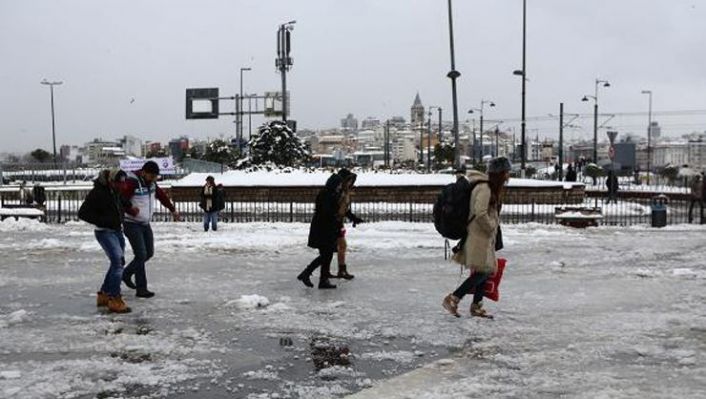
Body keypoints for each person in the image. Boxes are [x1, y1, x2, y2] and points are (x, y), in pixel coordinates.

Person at [442, 157, 511, 319]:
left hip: (483, 237)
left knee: (485, 270)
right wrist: (491, 226)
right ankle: (453, 298)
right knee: (483, 271)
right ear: (499, 173)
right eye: (506, 172)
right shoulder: (485, 188)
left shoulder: (488, 187)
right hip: (479, 236)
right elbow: (480, 213)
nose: (508, 176)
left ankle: (476, 306)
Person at [120, 161, 180, 298]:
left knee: (149, 253)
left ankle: (126, 273)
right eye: (151, 176)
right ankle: (141, 288)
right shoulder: (132, 182)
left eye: (155, 177)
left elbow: (161, 196)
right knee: (141, 255)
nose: (153, 179)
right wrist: (130, 210)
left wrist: (172, 210)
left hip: (145, 223)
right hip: (131, 223)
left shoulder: (152, 183)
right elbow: (121, 199)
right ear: (143, 172)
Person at [78, 169, 134, 313]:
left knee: (118, 262)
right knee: (117, 263)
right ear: (111, 181)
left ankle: (104, 294)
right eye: (119, 183)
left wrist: (129, 208)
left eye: (123, 183)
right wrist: (103, 221)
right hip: (104, 232)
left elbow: (120, 201)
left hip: (116, 230)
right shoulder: (98, 193)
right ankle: (114, 298)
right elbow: (82, 213)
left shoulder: (115, 191)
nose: (121, 186)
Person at [297, 173, 342, 289]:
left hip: (325, 228)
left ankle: (322, 279)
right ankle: (307, 273)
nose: (340, 187)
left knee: (327, 255)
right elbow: (327, 213)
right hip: (323, 229)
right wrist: (335, 219)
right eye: (339, 184)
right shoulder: (327, 195)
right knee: (326, 255)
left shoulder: (330, 194)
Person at [334, 168, 365, 280]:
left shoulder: (344, 192)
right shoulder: (339, 193)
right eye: (348, 181)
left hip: (338, 223)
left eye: (351, 181)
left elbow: (344, 209)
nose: (350, 183)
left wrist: (353, 218)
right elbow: (336, 209)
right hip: (335, 223)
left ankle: (336, 271)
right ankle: (340, 271)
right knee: (340, 246)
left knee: (337, 247)